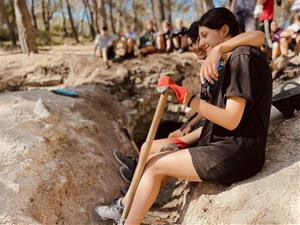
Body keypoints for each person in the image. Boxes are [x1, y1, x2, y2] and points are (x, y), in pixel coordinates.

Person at [95, 8, 269, 225]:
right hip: (224, 146)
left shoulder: (241, 57)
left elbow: (231, 120)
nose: (201, 43)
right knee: (155, 159)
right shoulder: (230, 59)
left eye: (205, 36)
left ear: (224, 30)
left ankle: (126, 219)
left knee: (156, 166)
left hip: (237, 152)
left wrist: (188, 99)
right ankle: (126, 207)